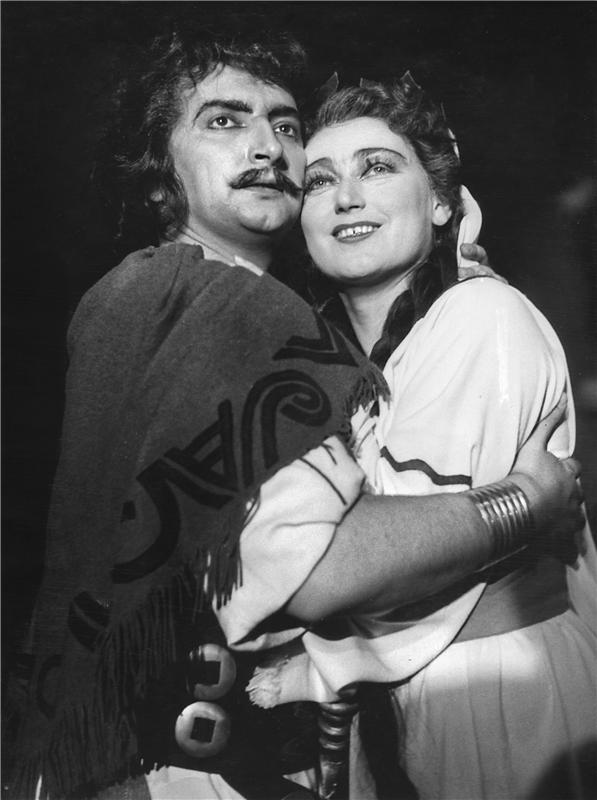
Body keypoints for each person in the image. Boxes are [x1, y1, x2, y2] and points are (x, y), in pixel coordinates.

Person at [5, 30, 584, 800]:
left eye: (284, 125)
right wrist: (528, 501)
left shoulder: (277, 322)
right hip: (162, 768)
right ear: (156, 182)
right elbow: (323, 573)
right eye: (223, 121)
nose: (266, 146)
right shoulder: (180, 302)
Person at [281, 73, 596, 798]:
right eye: (319, 180)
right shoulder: (337, 366)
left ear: (442, 202)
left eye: (377, 167)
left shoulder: (479, 317)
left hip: (496, 695)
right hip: (406, 704)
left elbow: (377, 569)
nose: (346, 196)